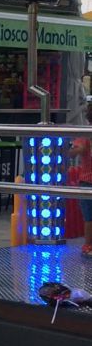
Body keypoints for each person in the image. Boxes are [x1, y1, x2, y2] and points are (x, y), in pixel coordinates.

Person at [70, 103, 92, 258]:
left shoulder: (85, 133)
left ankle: (88, 245)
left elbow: (73, 152)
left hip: (86, 181)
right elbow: (74, 152)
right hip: (87, 182)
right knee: (89, 217)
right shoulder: (85, 135)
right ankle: (88, 245)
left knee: (89, 218)